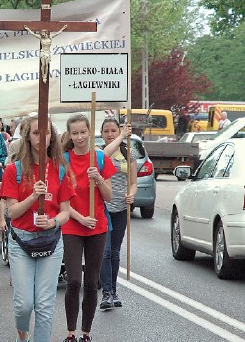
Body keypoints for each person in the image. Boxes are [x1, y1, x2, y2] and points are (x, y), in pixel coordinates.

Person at [0, 114, 74, 342]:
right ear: (27, 137)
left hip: (51, 243)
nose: (42, 138)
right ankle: (22, 332)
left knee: (44, 305)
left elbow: (66, 211)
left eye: (47, 132)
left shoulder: (61, 169)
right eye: (36, 133)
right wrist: (33, 197)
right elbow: (11, 213)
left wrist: (53, 222)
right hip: (21, 242)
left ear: (52, 136)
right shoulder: (14, 171)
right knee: (24, 305)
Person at [61, 114, 125, 342]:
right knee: (74, 280)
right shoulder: (64, 160)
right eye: (75, 133)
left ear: (90, 132)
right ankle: (70, 332)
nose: (79, 137)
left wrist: (97, 178)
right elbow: (62, 202)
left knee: (91, 282)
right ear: (69, 135)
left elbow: (109, 196)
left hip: (97, 226)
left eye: (83, 132)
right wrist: (80, 218)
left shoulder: (99, 158)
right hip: (73, 224)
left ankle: (86, 333)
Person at [98, 118, 137, 311]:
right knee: (104, 252)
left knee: (114, 252)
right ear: (101, 133)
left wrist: (131, 195)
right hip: (102, 208)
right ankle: (106, 293)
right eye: (106, 131)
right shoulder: (98, 152)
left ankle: (114, 291)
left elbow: (133, 182)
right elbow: (105, 155)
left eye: (113, 130)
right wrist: (122, 135)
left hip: (121, 208)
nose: (110, 134)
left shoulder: (128, 154)